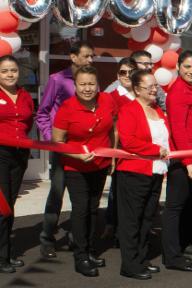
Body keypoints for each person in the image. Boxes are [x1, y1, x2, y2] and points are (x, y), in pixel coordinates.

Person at [51, 66, 116, 277]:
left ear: (97, 84)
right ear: (75, 85)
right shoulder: (66, 108)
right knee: (81, 210)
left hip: (100, 165)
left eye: (91, 84)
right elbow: (57, 142)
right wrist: (77, 155)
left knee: (93, 208)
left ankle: (90, 249)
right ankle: (81, 256)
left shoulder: (106, 100)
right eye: (82, 84)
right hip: (75, 166)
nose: (87, 88)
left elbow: (113, 128)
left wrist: (113, 155)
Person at [35, 41, 94, 259]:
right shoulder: (57, 80)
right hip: (62, 146)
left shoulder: (91, 80)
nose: (90, 60)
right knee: (57, 194)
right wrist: (52, 140)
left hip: (84, 146)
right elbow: (43, 113)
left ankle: (76, 238)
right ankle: (47, 239)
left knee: (82, 195)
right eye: (86, 56)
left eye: (92, 56)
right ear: (73, 57)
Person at [116, 70, 170, 280]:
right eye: (150, 87)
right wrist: (155, 150)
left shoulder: (158, 110)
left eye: (156, 86)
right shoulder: (129, 110)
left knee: (147, 218)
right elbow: (128, 141)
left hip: (155, 172)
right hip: (134, 173)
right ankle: (129, 264)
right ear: (137, 89)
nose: (155, 90)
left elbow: (166, 137)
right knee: (131, 221)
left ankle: (141, 258)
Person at [162, 50, 192, 272]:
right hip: (183, 161)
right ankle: (171, 256)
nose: (191, 70)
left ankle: (180, 247)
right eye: (187, 66)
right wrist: (188, 161)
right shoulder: (178, 92)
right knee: (174, 208)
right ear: (178, 66)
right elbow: (178, 130)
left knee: (187, 206)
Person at [0, 55, 34, 273]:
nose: (9, 74)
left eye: (13, 70)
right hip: (0, 154)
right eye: (4, 71)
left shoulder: (24, 95)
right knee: (1, 207)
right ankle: (2, 257)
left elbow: (28, 120)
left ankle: (7, 251)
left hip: (19, 155)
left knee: (10, 205)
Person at [102, 57, 136, 242]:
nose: (127, 76)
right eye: (123, 72)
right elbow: (111, 128)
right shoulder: (111, 96)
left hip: (140, 152)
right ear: (117, 75)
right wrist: (113, 157)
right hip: (120, 151)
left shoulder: (142, 96)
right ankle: (114, 228)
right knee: (118, 193)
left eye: (131, 72)